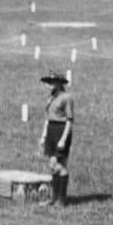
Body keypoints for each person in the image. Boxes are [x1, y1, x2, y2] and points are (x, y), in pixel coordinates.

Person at [39, 72, 73, 206]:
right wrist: (43, 136)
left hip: (61, 130)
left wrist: (63, 139)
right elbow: (48, 118)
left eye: (52, 81)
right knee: (52, 166)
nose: (50, 84)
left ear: (60, 83)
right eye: (49, 81)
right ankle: (54, 198)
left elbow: (70, 120)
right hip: (51, 130)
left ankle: (61, 200)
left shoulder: (67, 97)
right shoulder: (51, 97)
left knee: (59, 164)